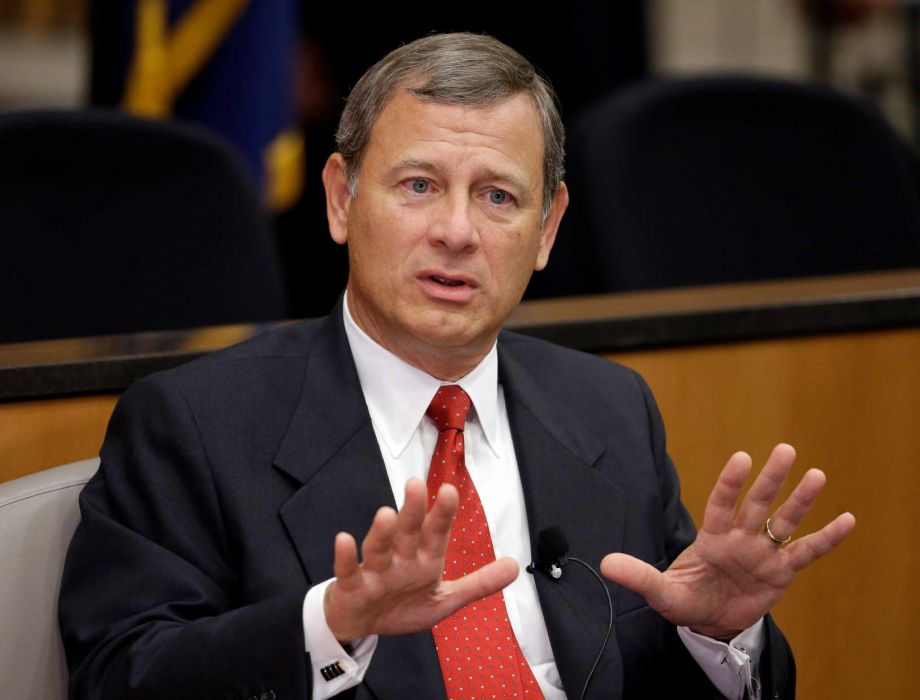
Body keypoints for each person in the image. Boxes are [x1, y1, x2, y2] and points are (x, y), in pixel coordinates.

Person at [59, 33, 855, 699]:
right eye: (419, 185)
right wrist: (329, 625)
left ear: (547, 231)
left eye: (499, 198)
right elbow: (121, 676)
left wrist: (717, 633)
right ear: (342, 199)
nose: (456, 231)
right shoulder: (195, 423)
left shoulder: (608, 409)